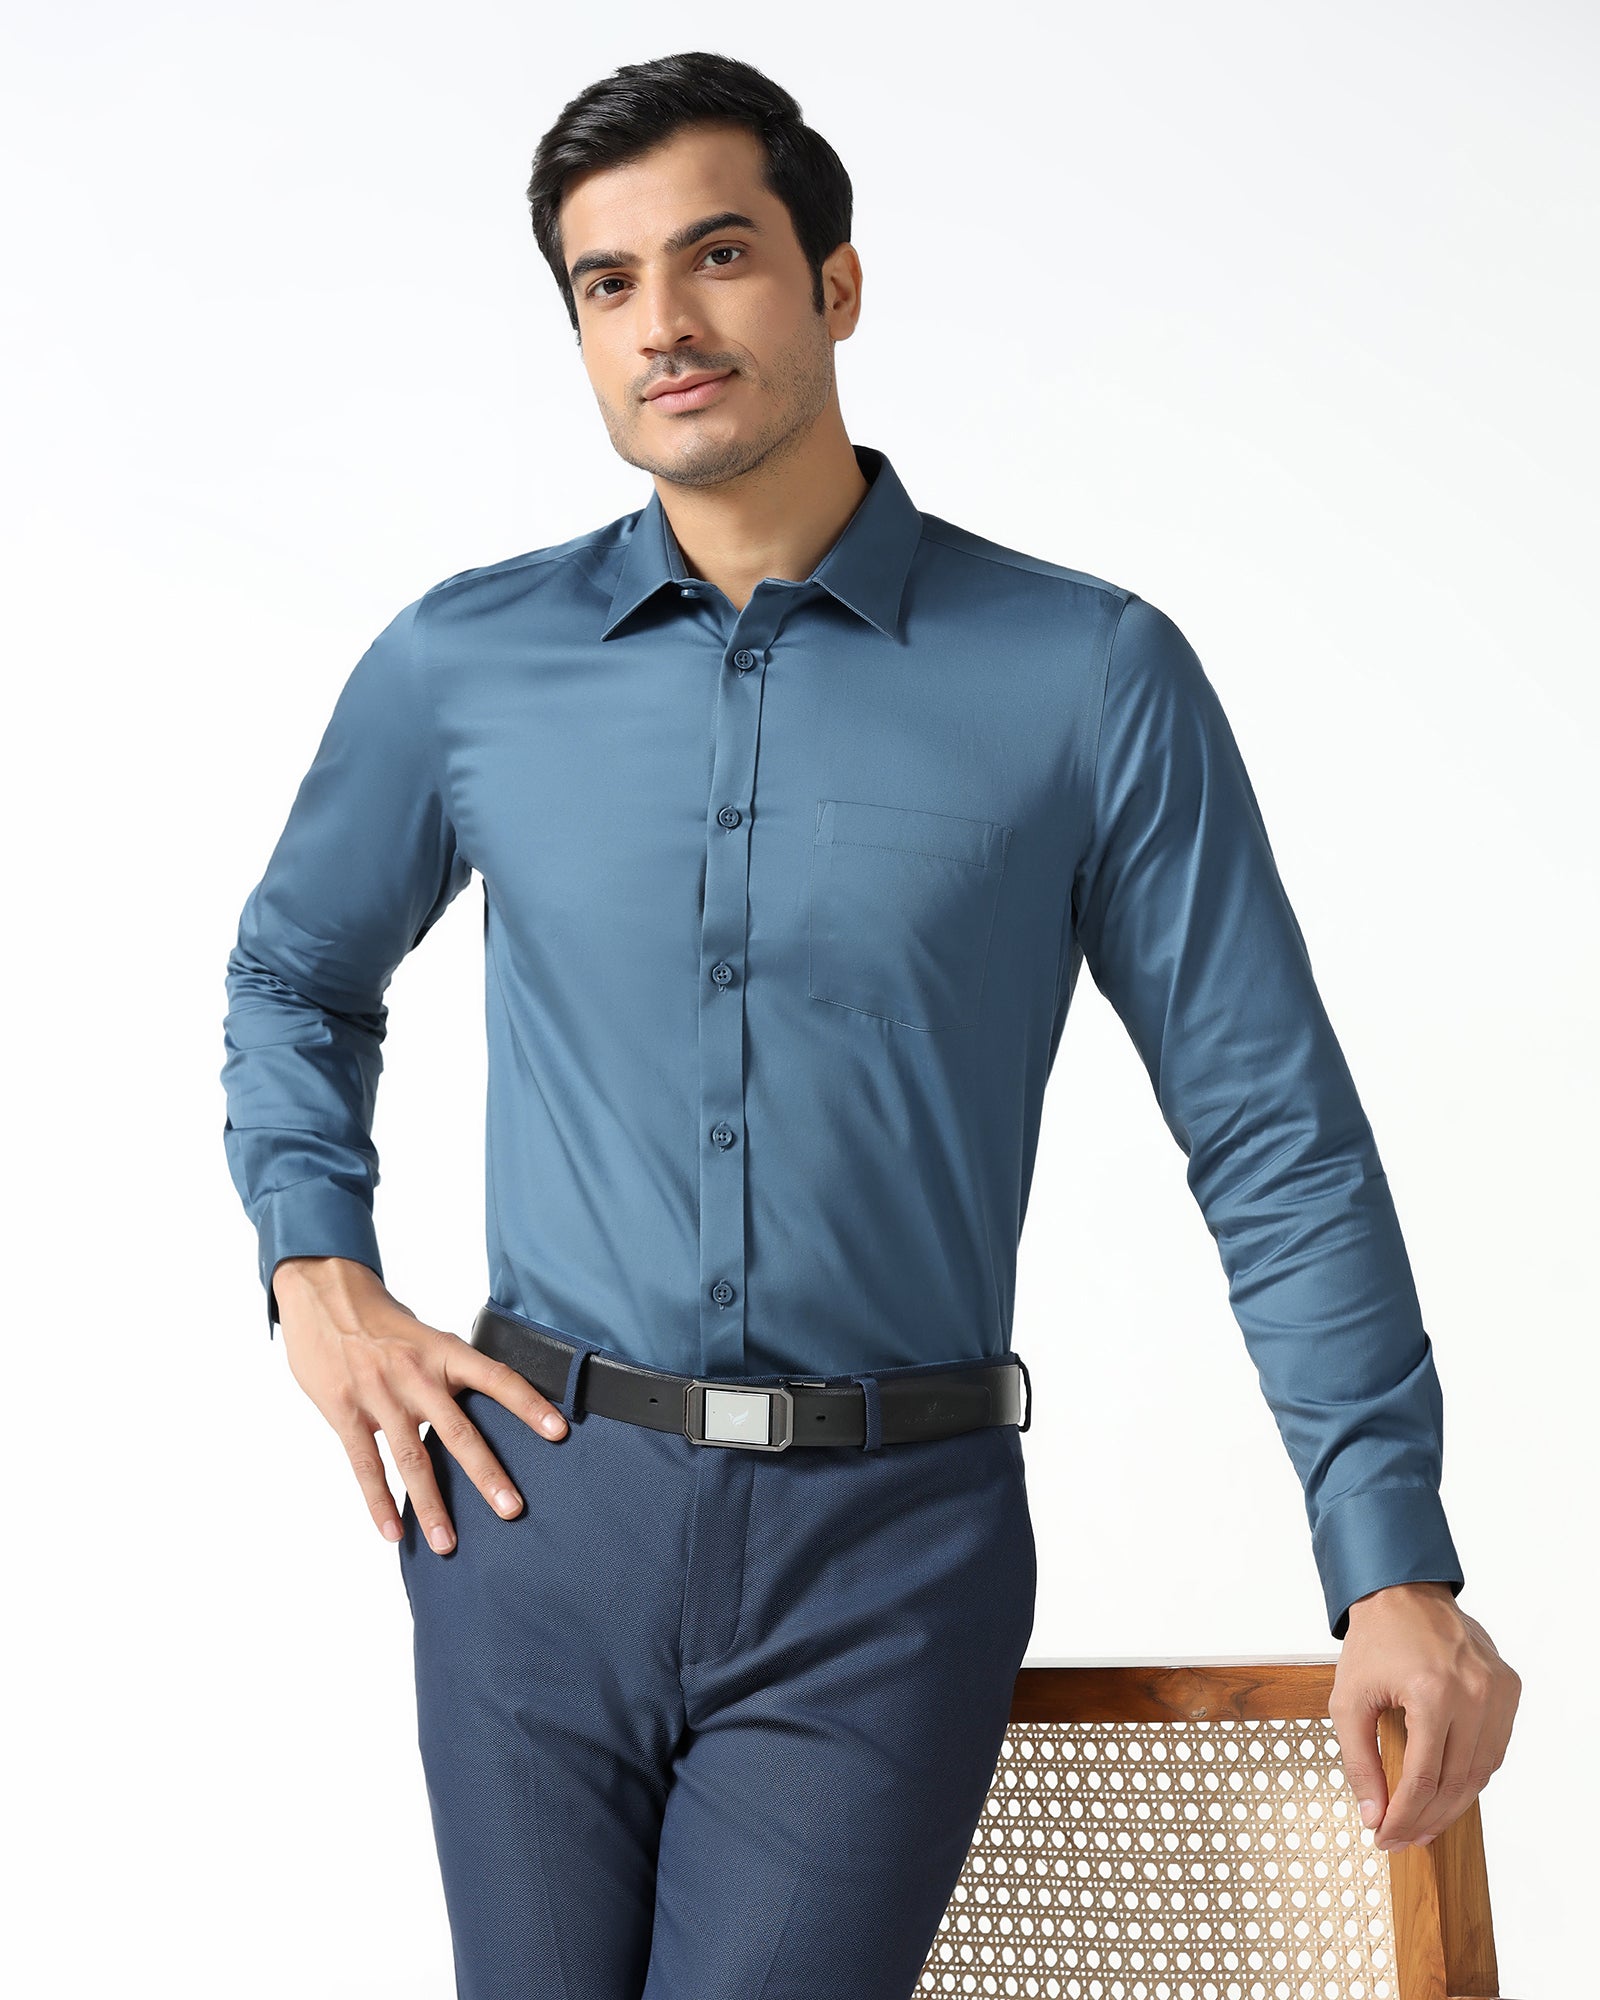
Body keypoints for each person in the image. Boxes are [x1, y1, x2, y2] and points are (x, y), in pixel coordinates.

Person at [219, 49, 1520, 2000]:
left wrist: (1390, 1562)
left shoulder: (1088, 678)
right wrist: (314, 1268)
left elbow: (1270, 1133)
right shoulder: (463, 666)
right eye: (605, 282)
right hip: (535, 1524)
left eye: (718, 255)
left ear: (834, 282)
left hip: (887, 1554)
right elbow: (293, 976)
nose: (662, 323)